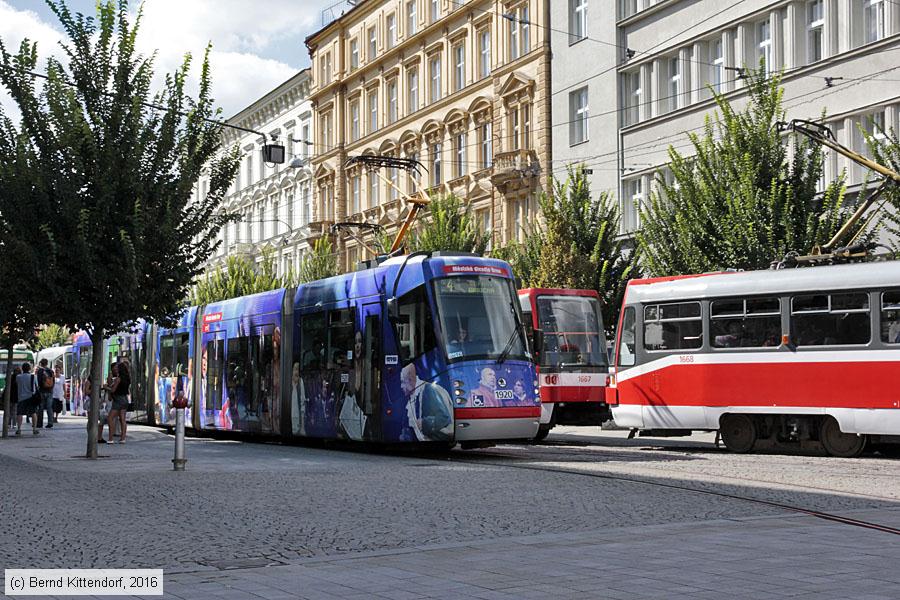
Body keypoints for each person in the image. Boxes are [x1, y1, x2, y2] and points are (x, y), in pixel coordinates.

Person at [400, 362, 452, 442]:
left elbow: (444, 417)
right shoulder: (413, 395)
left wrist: (423, 423)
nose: (401, 386)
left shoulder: (428, 390)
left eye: (403, 382)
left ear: (410, 380)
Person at [107, 361, 130, 443]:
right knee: (122, 419)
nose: (116, 370)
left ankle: (110, 438)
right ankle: (123, 438)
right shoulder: (127, 378)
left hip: (118, 400)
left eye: (117, 368)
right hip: (125, 399)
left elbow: (113, 390)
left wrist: (106, 387)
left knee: (110, 418)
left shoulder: (118, 379)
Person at [15, 363, 39, 436]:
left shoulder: (18, 377)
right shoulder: (33, 376)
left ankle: (19, 429)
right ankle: (34, 429)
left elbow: (17, 384)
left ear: (22, 368)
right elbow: (37, 386)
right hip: (31, 397)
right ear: (29, 369)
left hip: (21, 397)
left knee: (20, 414)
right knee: (33, 413)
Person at [36, 358, 55, 428]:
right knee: (49, 407)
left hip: (42, 391)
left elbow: (38, 381)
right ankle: (50, 422)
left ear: (41, 363)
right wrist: (51, 388)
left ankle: (39, 423)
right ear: (47, 363)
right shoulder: (51, 371)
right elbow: (54, 381)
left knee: (40, 407)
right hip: (50, 391)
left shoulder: (40, 371)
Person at [4, 366, 21, 432]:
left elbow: (6, 383)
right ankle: (14, 424)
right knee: (15, 411)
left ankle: (8, 424)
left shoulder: (10, 377)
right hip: (16, 396)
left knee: (9, 411)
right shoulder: (19, 378)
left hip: (9, 396)